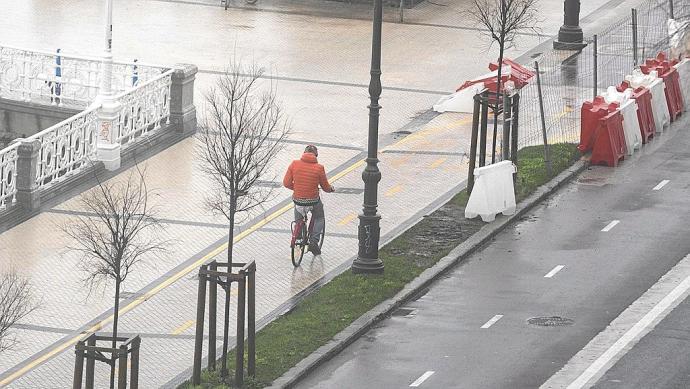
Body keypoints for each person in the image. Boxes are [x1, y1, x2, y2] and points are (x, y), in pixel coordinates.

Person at [283, 144, 334, 255]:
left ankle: (298, 237)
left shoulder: (294, 164)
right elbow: (325, 187)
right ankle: (314, 241)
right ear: (316, 155)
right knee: (320, 217)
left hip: (298, 200)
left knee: (298, 216)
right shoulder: (319, 168)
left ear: (304, 153)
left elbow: (286, 183)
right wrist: (331, 189)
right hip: (313, 200)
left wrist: (296, 188)